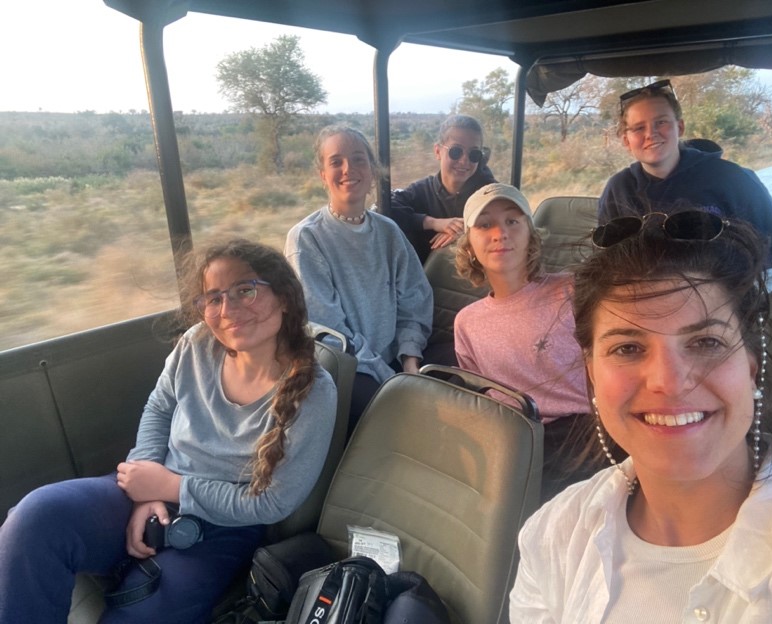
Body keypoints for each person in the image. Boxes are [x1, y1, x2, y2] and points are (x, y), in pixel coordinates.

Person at [510, 211, 772, 622]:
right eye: (628, 348)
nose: (669, 382)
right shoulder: (553, 534)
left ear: (752, 366)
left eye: (706, 342)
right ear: (592, 373)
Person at [0, 240, 337, 624]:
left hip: (223, 525)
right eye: (213, 298)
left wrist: (170, 488)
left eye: (246, 289)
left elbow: (271, 504)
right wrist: (144, 484)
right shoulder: (197, 345)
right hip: (147, 484)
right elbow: (159, 407)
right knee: (36, 519)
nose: (228, 310)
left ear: (285, 297)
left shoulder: (314, 390)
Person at [285, 124, 432, 433]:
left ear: (372, 170)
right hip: (346, 368)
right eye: (336, 161)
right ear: (322, 174)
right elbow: (329, 329)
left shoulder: (388, 232)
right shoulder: (307, 239)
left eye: (358, 159)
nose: (348, 168)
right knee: (401, 420)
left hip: (394, 359)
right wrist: (387, 375)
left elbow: (414, 299)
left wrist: (409, 357)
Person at [454, 183, 592, 500]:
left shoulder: (570, 290)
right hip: (516, 438)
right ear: (469, 244)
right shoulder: (467, 322)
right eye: (485, 224)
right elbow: (483, 399)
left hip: (583, 430)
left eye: (512, 221)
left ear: (530, 233)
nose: (499, 233)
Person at [599, 79, 772, 289]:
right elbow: (608, 259)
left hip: (734, 285)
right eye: (639, 127)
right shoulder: (618, 189)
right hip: (652, 293)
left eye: (661, 122)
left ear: (680, 127)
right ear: (626, 140)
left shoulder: (732, 178)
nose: (651, 134)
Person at [389, 114, 497, 263]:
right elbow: (385, 209)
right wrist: (433, 223)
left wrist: (466, 230)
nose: (464, 160)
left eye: (474, 154)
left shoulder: (489, 194)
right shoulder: (421, 191)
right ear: (438, 151)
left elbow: (508, 225)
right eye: (456, 151)